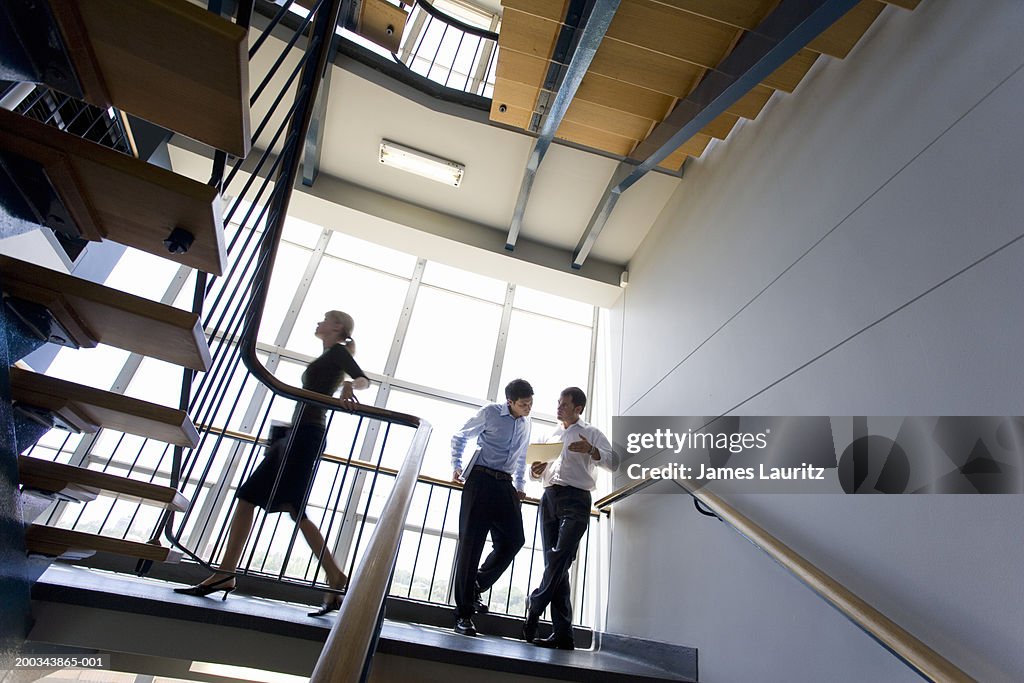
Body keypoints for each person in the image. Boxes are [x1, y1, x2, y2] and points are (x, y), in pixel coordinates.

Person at [175, 311, 368, 617]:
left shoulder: (339, 353)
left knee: (293, 506)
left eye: (325, 318)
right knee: (248, 495)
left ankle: (336, 577)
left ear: (338, 327)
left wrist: (347, 387)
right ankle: (228, 571)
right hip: (294, 434)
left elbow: (362, 379)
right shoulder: (327, 356)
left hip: (307, 435)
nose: (318, 321)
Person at [523, 387, 617, 650]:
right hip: (549, 498)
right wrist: (535, 471)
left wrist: (592, 451)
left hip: (576, 500)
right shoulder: (550, 433)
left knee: (561, 557)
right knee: (555, 564)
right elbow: (537, 471)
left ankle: (536, 603)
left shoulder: (592, 433)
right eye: (558, 403)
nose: (559, 408)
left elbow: (614, 462)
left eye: (564, 404)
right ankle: (563, 635)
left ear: (578, 409)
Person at [449, 378, 534, 636]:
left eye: (530, 403)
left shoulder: (526, 423)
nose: (528, 408)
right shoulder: (490, 413)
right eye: (523, 404)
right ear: (510, 402)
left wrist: (520, 484)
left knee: (514, 540)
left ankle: (476, 583)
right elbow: (460, 435)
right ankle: (463, 615)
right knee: (471, 545)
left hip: (505, 485)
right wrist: (456, 465)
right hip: (480, 481)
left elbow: (521, 456)